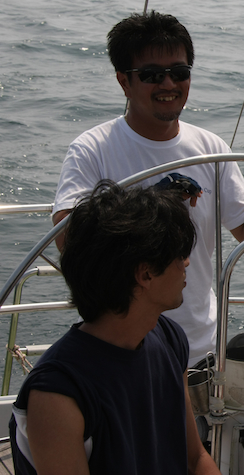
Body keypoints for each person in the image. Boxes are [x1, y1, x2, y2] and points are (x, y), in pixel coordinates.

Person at [52, 11, 244, 365]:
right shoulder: (92, 149)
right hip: (120, 348)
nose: (168, 84)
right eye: (152, 75)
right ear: (124, 81)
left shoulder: (211, 148)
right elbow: (68, 238)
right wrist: (152, 205)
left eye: (179, 72)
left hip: (199, 349)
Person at [10, 182, 221, 475]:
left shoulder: (170, 339)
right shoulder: (58, 392)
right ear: (145, 274)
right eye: (179, 254)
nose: (186, 262)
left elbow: (195, 459)